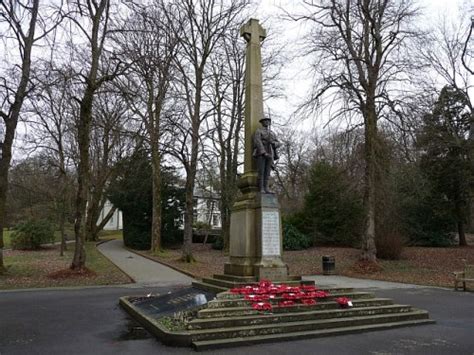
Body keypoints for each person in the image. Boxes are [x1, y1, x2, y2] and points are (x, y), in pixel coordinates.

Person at [253, 117, 280, 193]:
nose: (267, 122)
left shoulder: (272, 133)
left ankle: (266, 187)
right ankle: (261, 188)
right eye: (265, 121)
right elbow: (257, 141)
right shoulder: (259, 131)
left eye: (268, 121)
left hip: (270, 152)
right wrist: (263, 152)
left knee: (267, 172)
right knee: (261, 171)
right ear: (262, 123)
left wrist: (274, 143)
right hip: (261, 153)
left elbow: (278, 143)